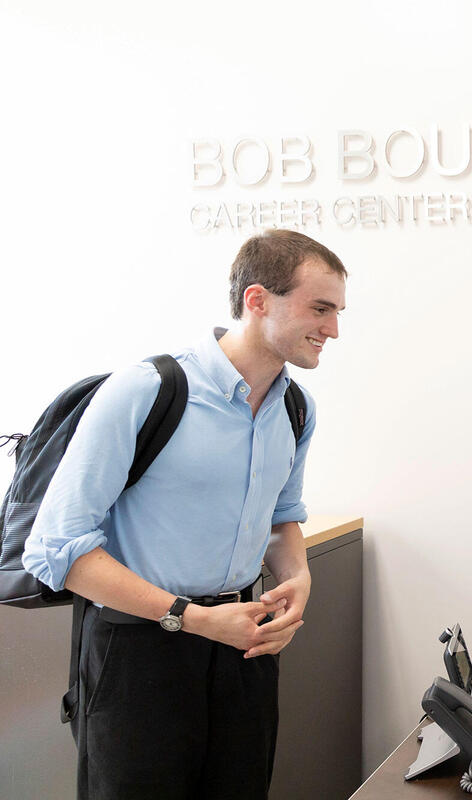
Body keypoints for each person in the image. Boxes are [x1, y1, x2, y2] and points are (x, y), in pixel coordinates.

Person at [22, 229, 347, 800]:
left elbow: (281, 515)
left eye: (338, 312)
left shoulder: (296, 407)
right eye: (320, 308)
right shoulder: (145, 390)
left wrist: (298, 576)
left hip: (245, 649)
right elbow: (56, 550)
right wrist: (191, 618)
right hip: (138, 653)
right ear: (257, 300)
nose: (334, 329)